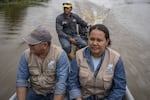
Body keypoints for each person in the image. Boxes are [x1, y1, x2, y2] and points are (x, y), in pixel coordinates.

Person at [68, 24, 126, 100]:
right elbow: (72, 81)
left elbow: (119, 88)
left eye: (99, 40)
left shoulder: (115, 59)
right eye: (92, 39)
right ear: (88, 39)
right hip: (83, 97)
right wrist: (78, 98)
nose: (95, 43)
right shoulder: (78, 56)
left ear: (107, 41)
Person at [16, 26, 70, 100]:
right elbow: (21, 81)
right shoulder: (25, 55)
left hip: (53, 92)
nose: (29, 45)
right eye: (29, 43)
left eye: (32, 44)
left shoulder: (60, 55)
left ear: (44, 45)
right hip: (35, 91)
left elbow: (61, 84)